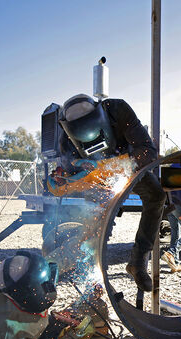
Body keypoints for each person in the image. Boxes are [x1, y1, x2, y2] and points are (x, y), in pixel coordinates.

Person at [51, 94, 165, 292]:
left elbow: (148, 152)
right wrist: (61, 180)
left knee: (156, 196)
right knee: (98, 221)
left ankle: (138, 262)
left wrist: (113, 165)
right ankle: (91, 277)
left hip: (131, 164)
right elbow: (65, 173)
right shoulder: (66, 140)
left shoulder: (118, 110)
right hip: (97, 179)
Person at [161, 189, 181, 273]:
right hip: (179, 203)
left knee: (175, 231)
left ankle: (174, 264)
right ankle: (170, 253)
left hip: (169, 204)